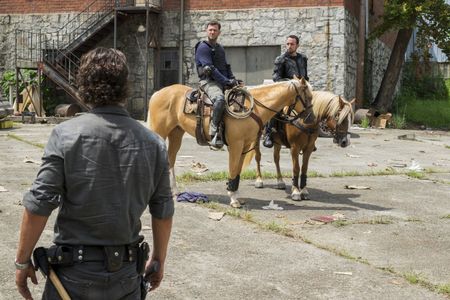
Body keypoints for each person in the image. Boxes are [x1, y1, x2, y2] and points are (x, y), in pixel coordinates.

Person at [15, 47, 174, 300]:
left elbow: (39, 204)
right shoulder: (153, 143)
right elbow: (163, 208)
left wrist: (23, 262)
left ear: (84, 85)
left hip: (72, 279)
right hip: (127, 276)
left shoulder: (65, 135)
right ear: (125, 85)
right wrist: (158, 258)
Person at [195, 20, 240, 149]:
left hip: (221, 81)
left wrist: (233, 79)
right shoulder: (203, 47)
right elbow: (210, 69)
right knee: (220, 100)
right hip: (209, 82)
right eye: (210, 30)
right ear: (206, 31)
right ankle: (213, 130)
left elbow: (226, 66)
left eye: (215, 30)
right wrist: (226, 81)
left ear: (219, 32)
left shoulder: (220, 48)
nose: (212, 32)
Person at [263, 34, 309, 148]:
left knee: (313, 106)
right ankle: (269, 134)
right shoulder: (281, 59)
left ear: (297, 45)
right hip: (286, 90)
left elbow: (306, 76)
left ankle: (310, 135)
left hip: (301, 89)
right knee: (276, 107)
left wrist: (305, 84)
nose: (289, 46)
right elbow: (276, 78)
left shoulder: (303, 58)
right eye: (287, 44)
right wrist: (291, 82)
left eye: (292, 44)